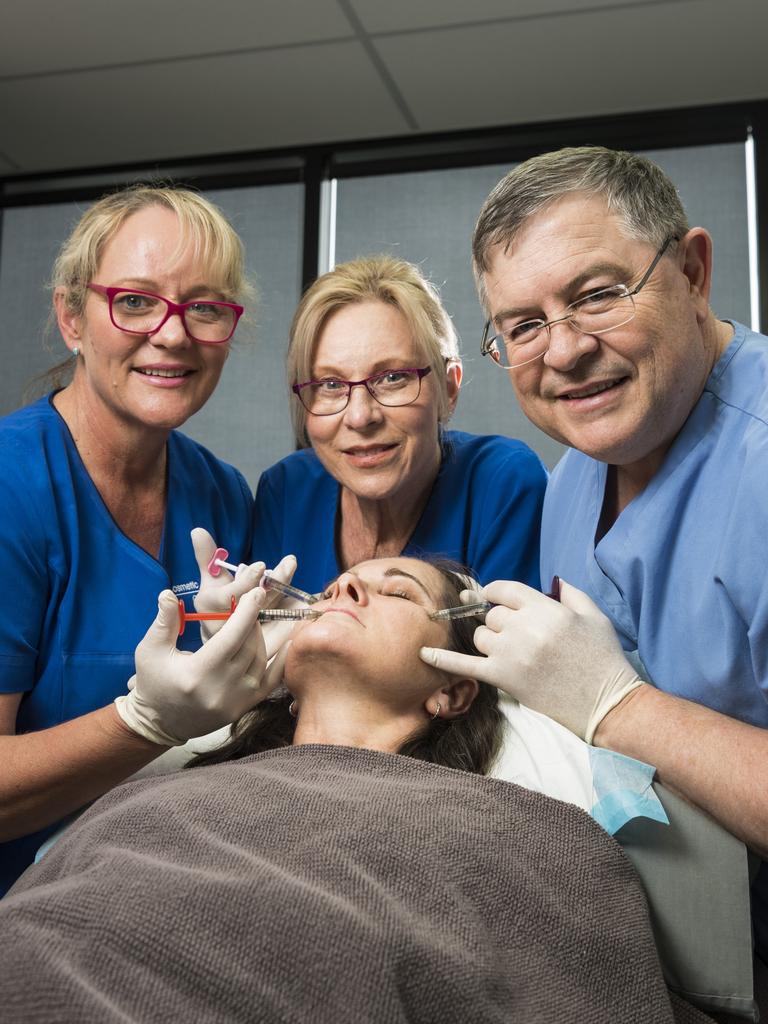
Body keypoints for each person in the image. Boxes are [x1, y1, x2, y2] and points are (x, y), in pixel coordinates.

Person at [0, 557, 710, 1024]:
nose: (344, 587)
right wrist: (146, 724)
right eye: (338, 585)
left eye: (396, 589)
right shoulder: (146, 798)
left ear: (453, 691)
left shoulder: (529, 832)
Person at [421, 146, 768, 968]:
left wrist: (616, 705)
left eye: (598, 295)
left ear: (692, 270)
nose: (566, 349)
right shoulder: (571, 481)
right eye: (525, 326)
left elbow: (609, 710)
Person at [0, 184, 263, 894]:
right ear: (72, 318)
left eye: (204, 307)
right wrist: (146, 722)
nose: (173, 334)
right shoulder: (12, 485)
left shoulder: (223, 496)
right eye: (136, 301)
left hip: (153, 889)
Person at [250, 255, 547, 592]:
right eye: (330, 385)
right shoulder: (287, 490)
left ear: (448, 387)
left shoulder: (503, 484)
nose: (361, 417)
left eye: (392, 378)